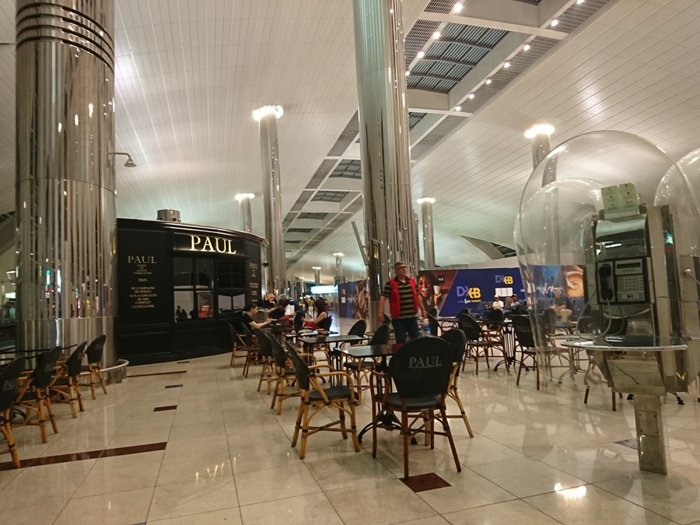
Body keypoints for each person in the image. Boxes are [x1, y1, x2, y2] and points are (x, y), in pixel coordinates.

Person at [378, 262, 427, 343]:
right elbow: (383, 298)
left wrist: (423, 310)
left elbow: (417, 296)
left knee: (416, 339)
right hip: (398, 319)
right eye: (401, 268)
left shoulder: (411, 282)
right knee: (401, 340)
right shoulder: (390, 284)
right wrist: (380, 312)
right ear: (396, 271)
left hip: (412, 317)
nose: (403, 269)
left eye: (404, 267)